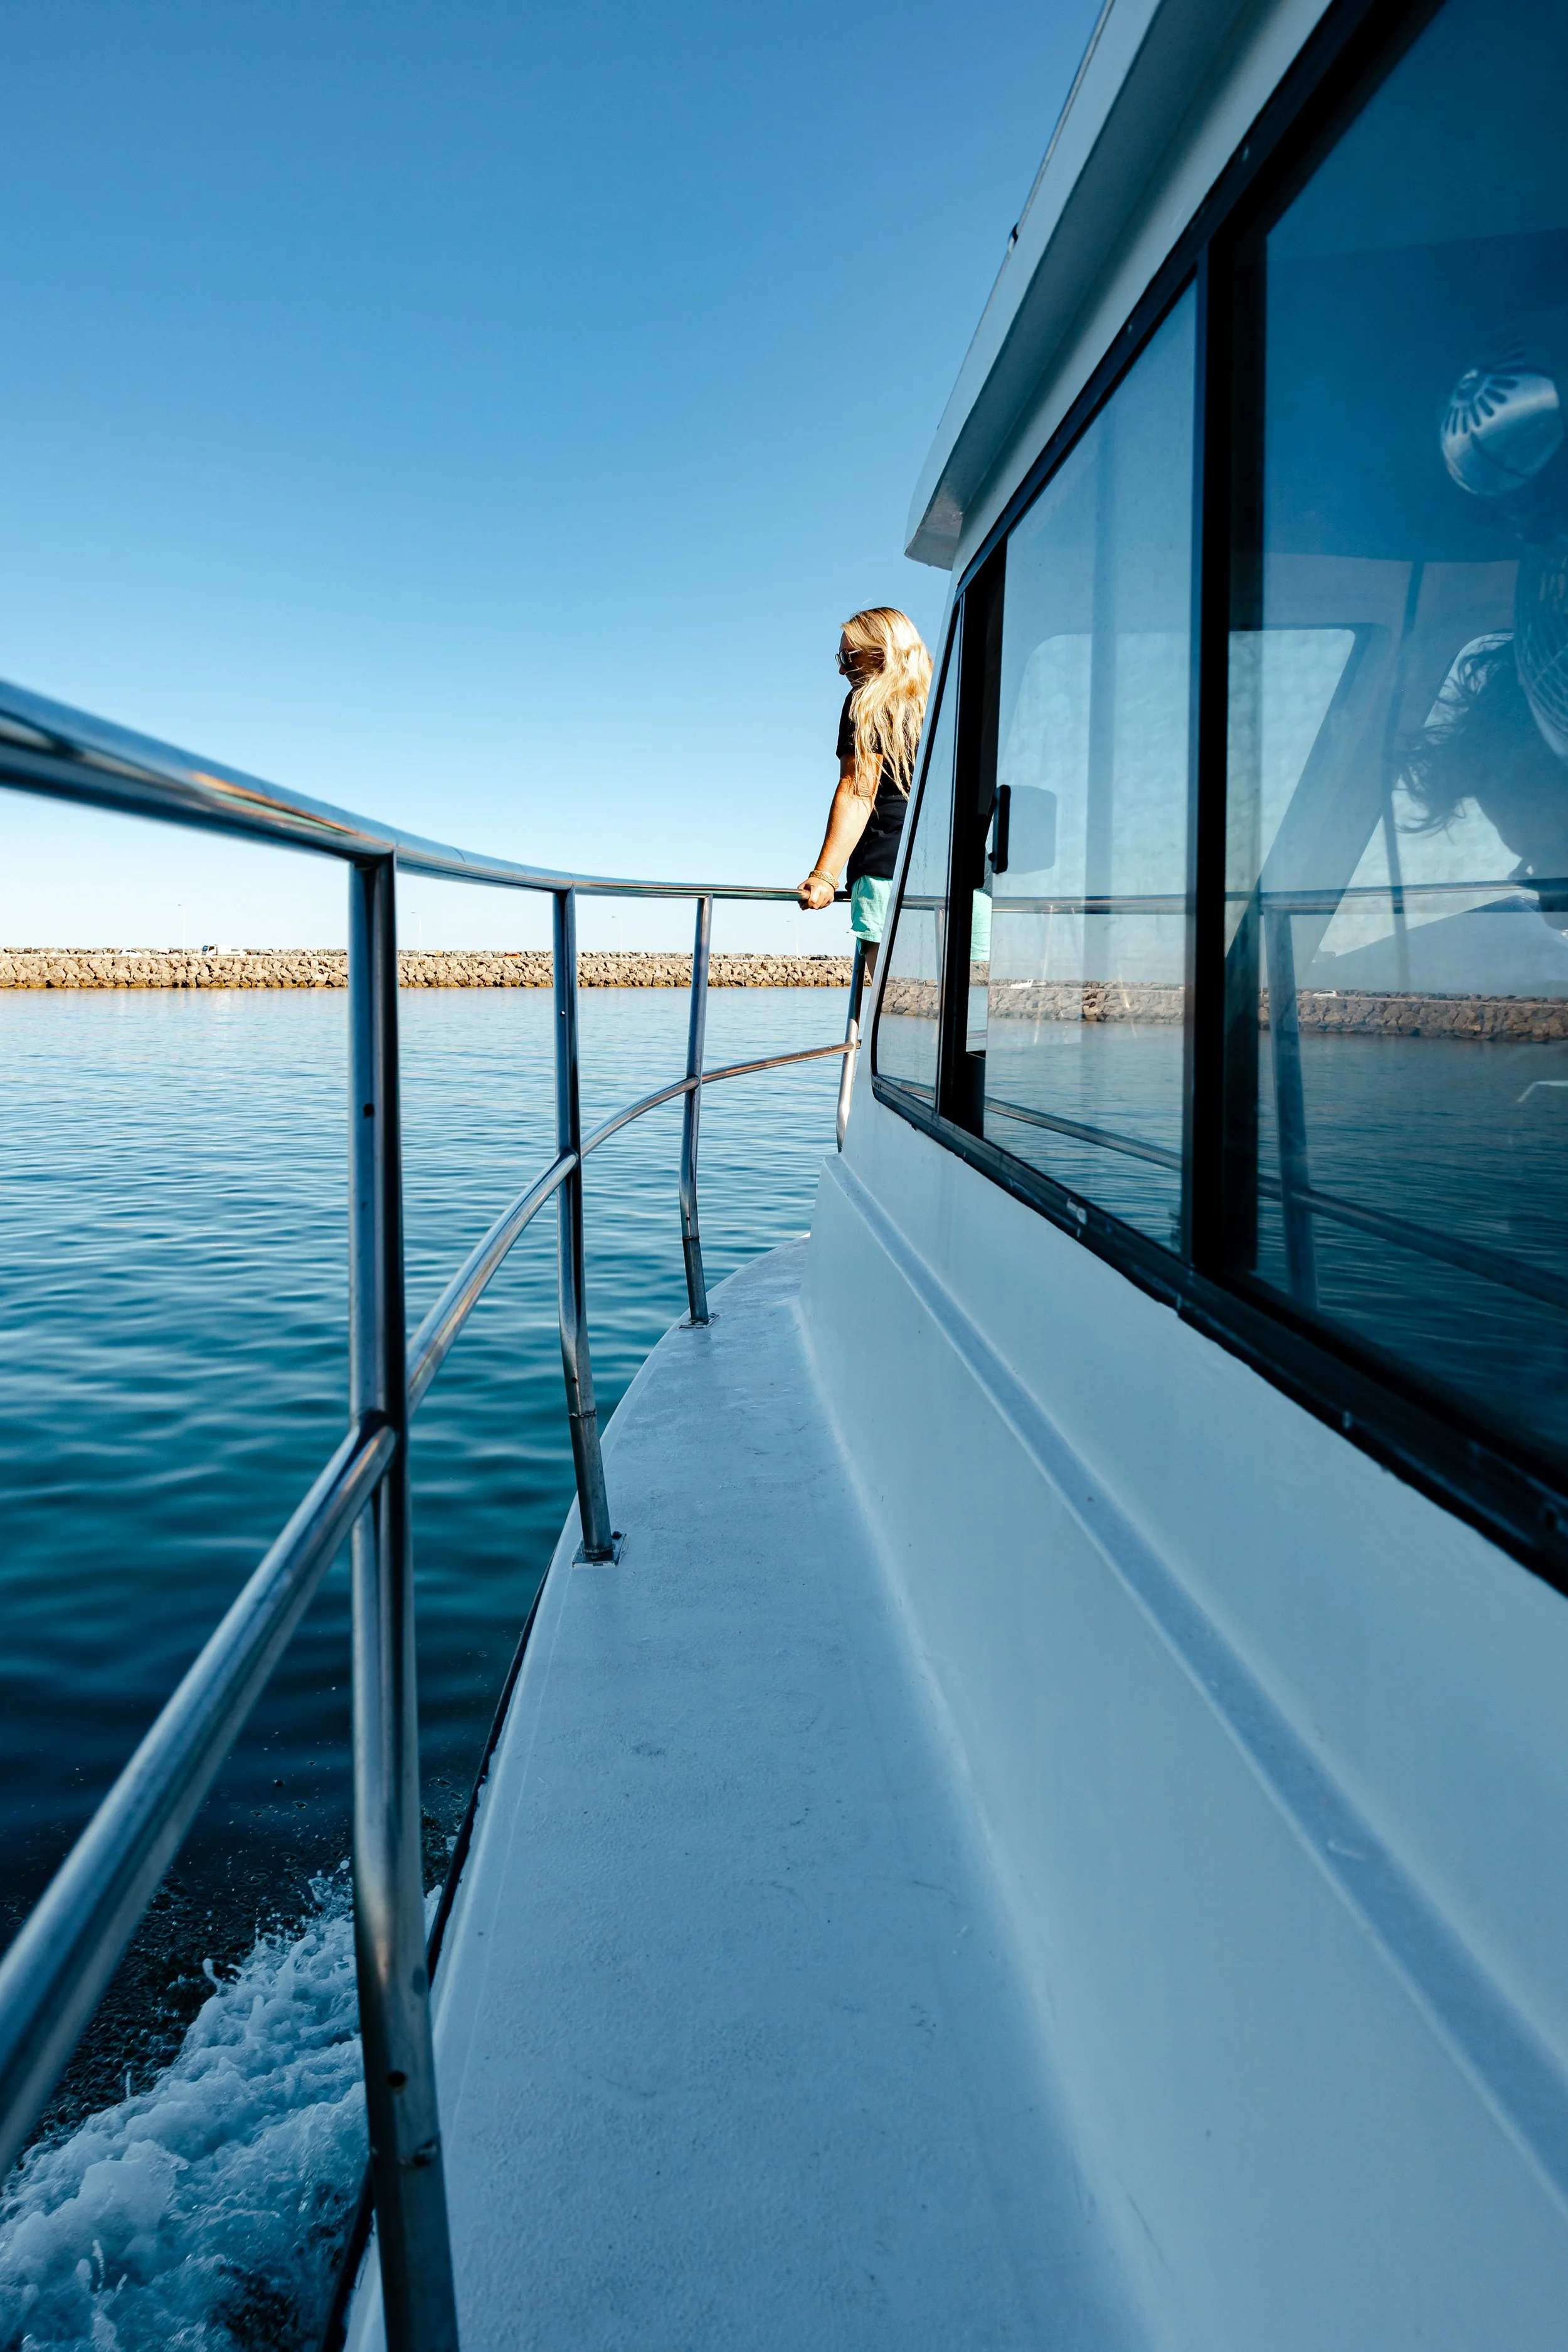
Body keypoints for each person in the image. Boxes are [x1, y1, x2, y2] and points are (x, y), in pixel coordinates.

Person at [797, 607, 931, 977]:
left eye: (850, 656)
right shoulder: (950, 697)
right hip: (963, 869)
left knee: (900, 1006)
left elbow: (859, 791)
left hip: (887, 867)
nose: (842, 669)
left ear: (884, 651)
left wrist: (824, 875)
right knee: (970, 1012)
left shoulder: (867, 701)